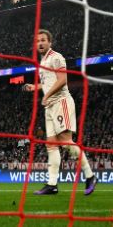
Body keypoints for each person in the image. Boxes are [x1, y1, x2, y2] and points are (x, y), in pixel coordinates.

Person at [24, 29, 97, 196]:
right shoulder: (43, 62)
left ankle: (90, 176)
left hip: (61, 102)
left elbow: (62, 79)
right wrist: (35, 87)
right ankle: (52, 184)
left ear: (50, 42)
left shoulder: (57, 57)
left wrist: (47, 95)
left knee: (65, 142)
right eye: (38, 41)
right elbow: (49, 82)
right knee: (51, 145)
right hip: (49, 107)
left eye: (43, 40)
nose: (40, 43)